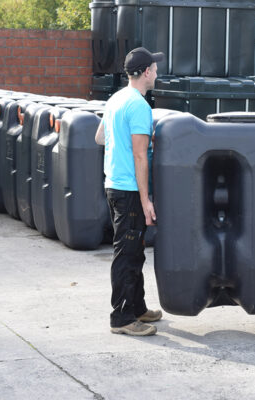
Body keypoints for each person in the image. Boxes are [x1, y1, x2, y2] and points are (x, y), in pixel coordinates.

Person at [95, 47, 164, 336]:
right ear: (146, 71)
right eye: (155, 68)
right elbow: (139, 156)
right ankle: (121, 318)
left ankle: (137, 307)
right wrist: (146, 199)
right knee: (127, 252)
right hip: (128, 189)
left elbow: (99, 137)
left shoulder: (115, 99)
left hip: (114, 184)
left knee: (134, 251)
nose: (157, 72)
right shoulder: (138, 106)